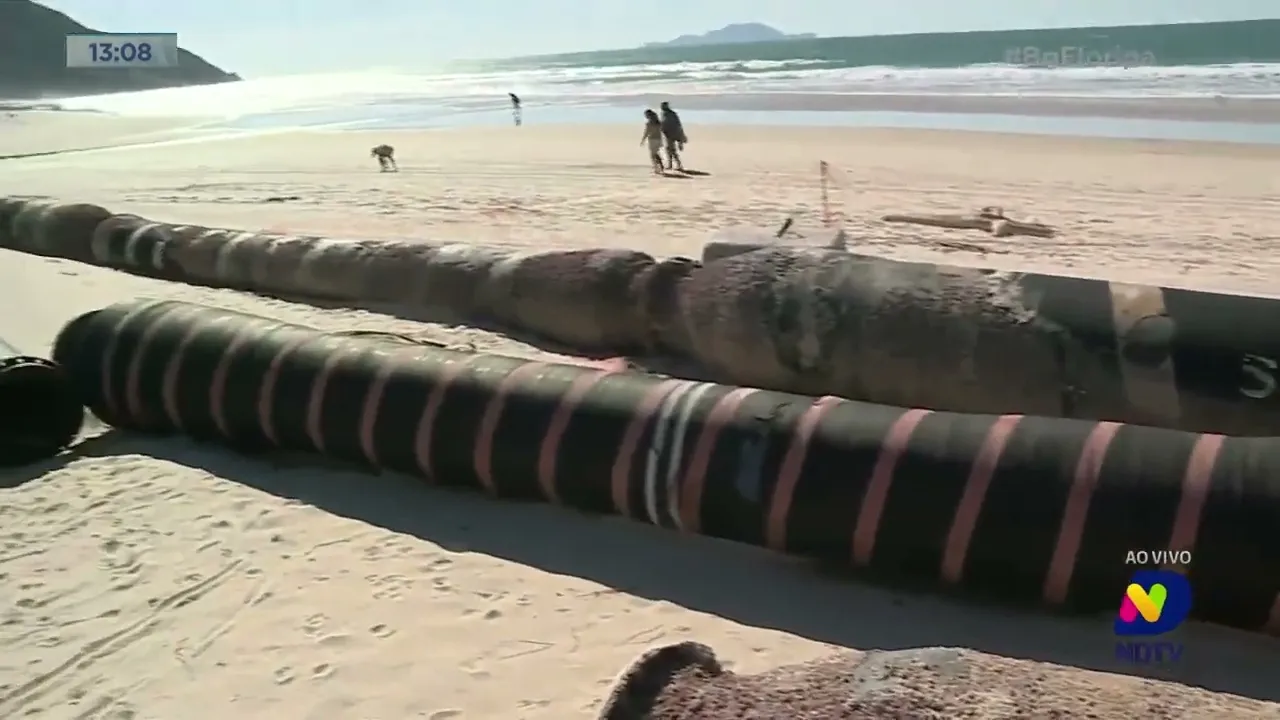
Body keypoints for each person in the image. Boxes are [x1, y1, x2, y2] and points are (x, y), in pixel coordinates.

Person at [659, 101, 686, 171]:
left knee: (671, 150)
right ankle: (671, 164)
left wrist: (680, 137)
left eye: (663, 106)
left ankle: (678, 165)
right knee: (669, 150)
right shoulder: (665, 114)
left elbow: (677, 125)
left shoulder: (670, 114)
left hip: (671, 134)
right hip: (668, 134)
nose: (661, 107)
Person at [640, 109, 664, 175]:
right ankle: (660, 166)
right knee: (656, 153)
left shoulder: (649, 123)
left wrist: (643, 140)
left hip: (652, 139)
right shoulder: (658, 122)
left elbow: (646, 132)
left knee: (653, 155)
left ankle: (656, 168)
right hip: (659, 139)